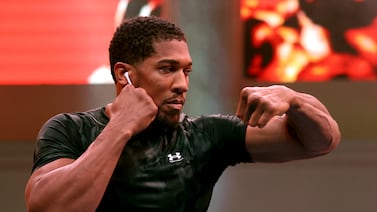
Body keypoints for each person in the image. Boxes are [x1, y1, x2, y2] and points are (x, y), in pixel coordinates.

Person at [25, 16, 341, 212]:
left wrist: (294, 100)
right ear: (125, 75)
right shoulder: (70, 129)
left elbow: (319, 142)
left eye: (186, 71)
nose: (181, 85)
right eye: (167, 69)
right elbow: (51, 208)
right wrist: (121, 126)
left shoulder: (205, 135)